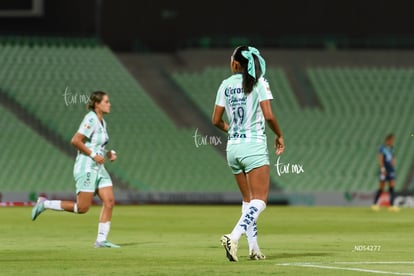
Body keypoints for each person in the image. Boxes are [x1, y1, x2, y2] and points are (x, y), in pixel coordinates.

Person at [212, 46, 284, 261]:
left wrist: (232, 130)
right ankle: (233, 237)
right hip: (253, 147)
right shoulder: (260, 83)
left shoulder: (225, 84)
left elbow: (215, 121)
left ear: (236, 64)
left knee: (248, 201)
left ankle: (253, 248)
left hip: (233, 148)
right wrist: (279, 135)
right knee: (260, 201)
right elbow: (269, 116)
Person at [31, 91, 120, 248]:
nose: (109, 104)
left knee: (110, 201)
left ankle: (101, 240)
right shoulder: (91, 119)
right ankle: (44, 204)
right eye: (106, 101)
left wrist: (108, 153)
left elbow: (96, 145)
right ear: (97, 104)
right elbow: (75, 140)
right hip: (86, 167)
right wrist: (93, 155)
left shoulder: (102, 122)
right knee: (82, 208)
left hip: (99, 167)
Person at [372, 133, 399, 212]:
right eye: (392, 140)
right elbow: (380, 159)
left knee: (392, 187)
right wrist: (383, 169)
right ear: (388, 140)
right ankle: (375, 204)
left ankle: (392, 205)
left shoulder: (391, 148)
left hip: (391, 170)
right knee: (381, 188)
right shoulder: (382, 148)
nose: (393, 141)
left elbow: (393, 157)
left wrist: (394, 162)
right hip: (384, 170)